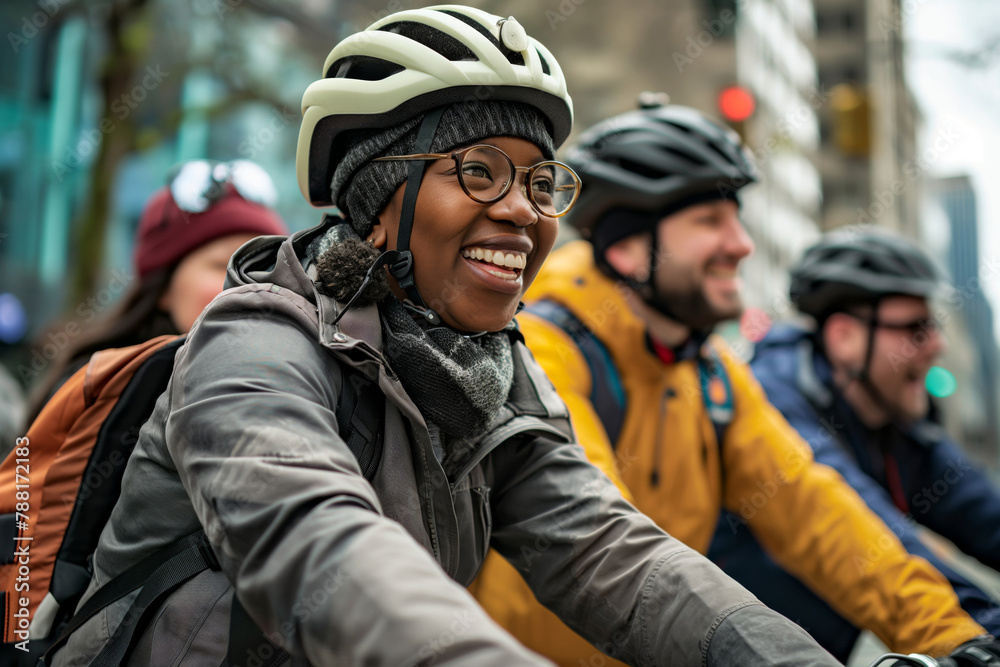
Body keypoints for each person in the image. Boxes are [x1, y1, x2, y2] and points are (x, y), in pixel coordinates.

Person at [49, 8, 845, 667]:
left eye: (539, 182)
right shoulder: (254, 344)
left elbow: (615, 555)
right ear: (379, 198)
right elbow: (323, 549)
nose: (524, 211)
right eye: (479, 171)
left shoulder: (491, 381)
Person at [469, 96, 1000, 666]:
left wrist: (960, 640)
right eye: (710, 221)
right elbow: (601, 546)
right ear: (627, 248)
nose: (742, 244)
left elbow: (818, 515)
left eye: (738, 218)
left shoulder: (711, 372)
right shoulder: (543, 346)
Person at [711, 229, 1000, 658]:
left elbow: (983, 513)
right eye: (917, 329)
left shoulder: (895, 426)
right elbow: (878, 536)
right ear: (845, 337)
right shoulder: (776, 403)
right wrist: (985, 636)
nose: (937, 345)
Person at [24, 159, 288, 423]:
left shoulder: (301, 382)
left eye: (265, 265)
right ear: (164, 290)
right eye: (222, 264)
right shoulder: (97, 391)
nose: (250, 282)